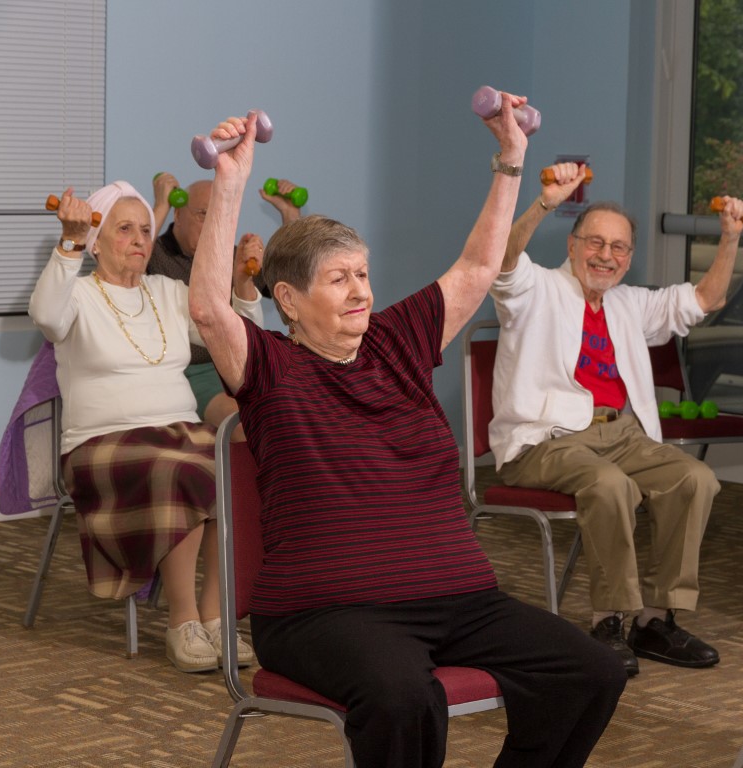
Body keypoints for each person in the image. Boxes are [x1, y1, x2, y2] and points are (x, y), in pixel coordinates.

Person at [188, 104, 626, 767]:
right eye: (339, 279)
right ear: (289, 298)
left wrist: (511, 158)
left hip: (458, 598)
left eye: (362, 273)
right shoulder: (272, 368)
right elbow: (208, 309)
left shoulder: (398, 341)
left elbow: (478, 269)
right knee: (401, 696)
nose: (360, 290)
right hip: (323, 614)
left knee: (591, 671)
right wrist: (230, 181)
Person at [488, 163, 743, 677]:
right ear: (571, 245)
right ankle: (609, 620)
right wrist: (543, 202)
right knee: (611, 486)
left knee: (695, 478)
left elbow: (704, 300)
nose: (605, 256)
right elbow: (501, 259)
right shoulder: (534, 290)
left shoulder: (629, 303)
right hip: (547, 438)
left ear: (630, 257)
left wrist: (729, 239)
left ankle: (656, 620)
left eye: (619, 248)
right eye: (595, 243)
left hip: (622, 432)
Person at [29, 182, 265, 673]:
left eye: (144, 229)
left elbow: (237, 339)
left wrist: (244, 287)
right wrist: (69, 242)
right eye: (124, 229)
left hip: (178, 431)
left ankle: (216, 615)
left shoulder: (168, 292)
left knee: (237, 463)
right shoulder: (78, 294)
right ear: (96, 241)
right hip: (101, 444)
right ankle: (182, 623)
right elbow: (45, 316)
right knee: (182, 468)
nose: (139, 238)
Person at [147, 173, 302, 436]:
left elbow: (286, 285)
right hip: (190, 370)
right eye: (202, 214)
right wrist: (159, 205)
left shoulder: (230, 255)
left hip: (233, 363)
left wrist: (290, 215)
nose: (211, 225)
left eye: (218, 215)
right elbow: (133, 255)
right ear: (177, 215)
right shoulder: (152, 253)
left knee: (289, 408)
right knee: (245, 422)